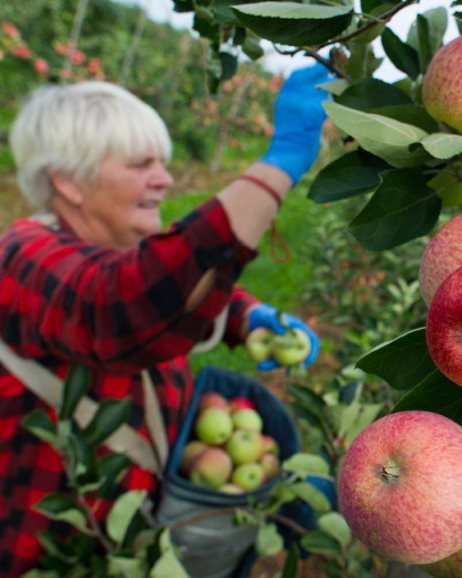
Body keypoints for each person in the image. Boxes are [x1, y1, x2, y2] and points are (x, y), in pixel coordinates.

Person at [0, 62, 329, 577]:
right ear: (69, 182)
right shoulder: (21, 253)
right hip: (56, 552)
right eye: (140, 164)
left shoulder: (106, 246)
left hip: (135, 534)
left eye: (163, 161)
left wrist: (248, 316)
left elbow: (153, 277)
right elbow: (119, 304)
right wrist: (277, 165)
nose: (165, 178)